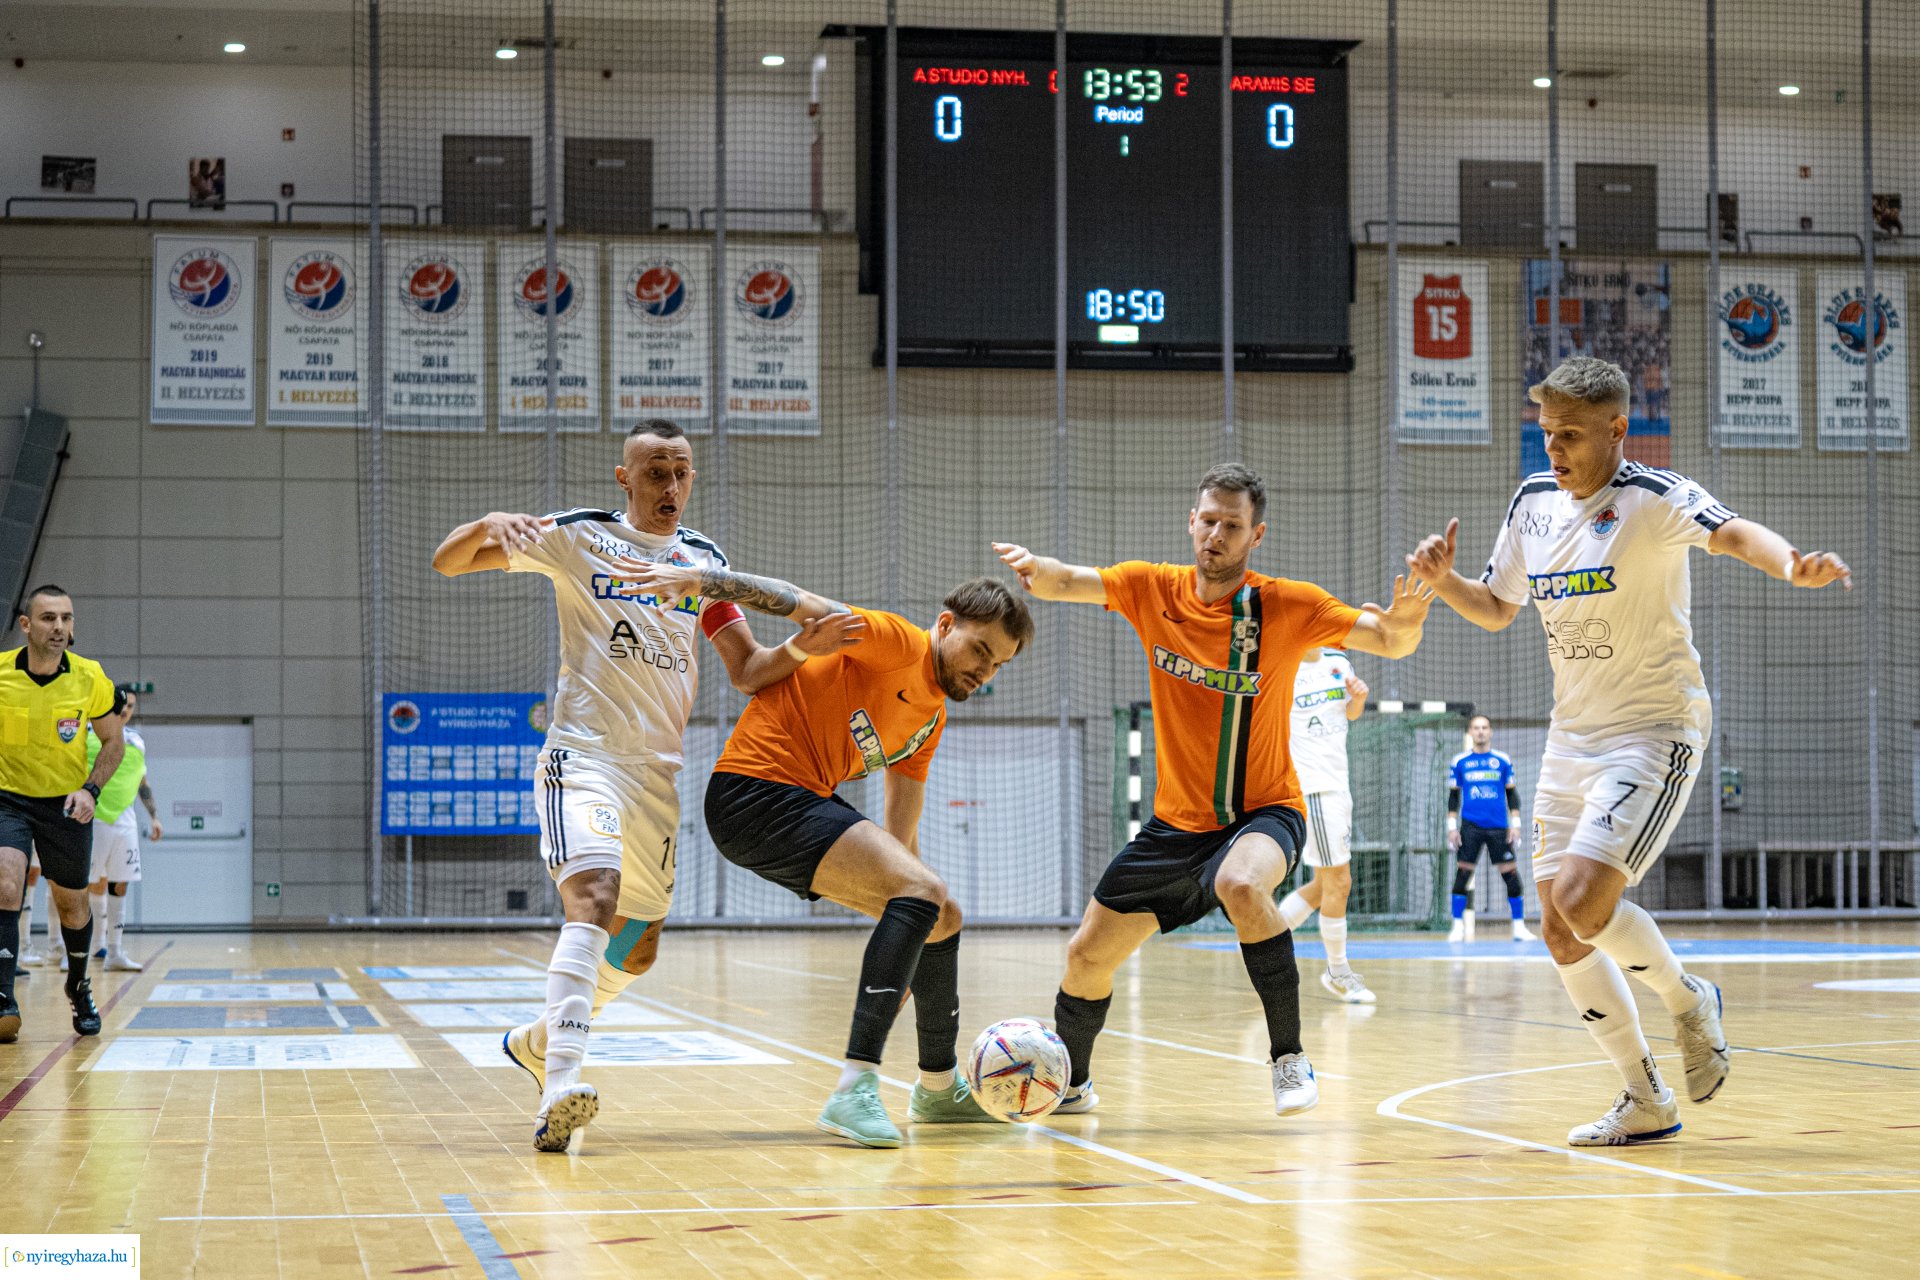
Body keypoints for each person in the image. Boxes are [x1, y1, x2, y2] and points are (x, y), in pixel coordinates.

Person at [1406, 355, 1851, 1147]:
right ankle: (1645, 1097)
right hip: (1571, 738)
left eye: (1571, 435)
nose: (1555, 449)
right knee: (1557, 927)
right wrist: (1442, 584)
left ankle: (1689, 1001)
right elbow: (1498, 608)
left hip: (1655, 730)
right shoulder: (1533, 502)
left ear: (1617, 430)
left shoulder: (1653, 498)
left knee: (1583, 903)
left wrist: (1790, 564)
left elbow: (1734, 532)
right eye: (1546, 434)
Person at [432, 420, 862, 1151]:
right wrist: (485, 522)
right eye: (655, 472)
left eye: (682, 472)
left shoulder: (704, 562)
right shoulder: (578, 537)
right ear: (623, 478)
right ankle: (560, 1085)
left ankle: (539, 1040)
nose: (670, 486)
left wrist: (801, 647)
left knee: (638, 949)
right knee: (593, 897)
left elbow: (748, 669)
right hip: (585, 755)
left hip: (656, 776)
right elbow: (448, 563)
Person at [994, 463, 1433, 1117]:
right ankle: (1075, 1083)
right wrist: (1035, 568)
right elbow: (1067, 581)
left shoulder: (1289, 604)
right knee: (1086, 955)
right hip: (1176, 826)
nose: (1216, 534)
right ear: (1190, 522)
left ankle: (1289, 1057)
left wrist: (1409, 618)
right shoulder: (1151, 589)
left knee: (1240, 884)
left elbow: (1390, 641)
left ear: (1257, 536)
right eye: (1208, 520)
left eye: (1233, 525)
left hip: (1265, 812)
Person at [618, 551, 1033, 1149]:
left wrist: (913, 929)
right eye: (980, 652)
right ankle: (853, 1089)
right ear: (946, 626)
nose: (984, 672)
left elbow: (902, 846)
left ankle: (938, 1091)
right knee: (923, 896)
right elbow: (793, 596)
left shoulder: (930, 719)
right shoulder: (896, 643)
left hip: (798, 803)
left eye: (997, 666)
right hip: (754, 792)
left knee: (940, 914)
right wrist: (701, 581)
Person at [0, 585, 126, 1042]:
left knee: (72, 906)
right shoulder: (1, 674)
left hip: (65, 804)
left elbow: (114, 742)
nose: (60, 628)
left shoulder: (90, 677)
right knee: (6, 882)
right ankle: (2, 998)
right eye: (50, 618)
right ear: (27, 625)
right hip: (7, 798)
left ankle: (78, 983)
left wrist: (91, 789)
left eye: (67, 618)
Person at [1273, 647, 1374, 1002]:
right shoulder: (1282, 665)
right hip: (1314, 786)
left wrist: (1358, 699)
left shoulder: (1338, 662)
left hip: (1338, 782)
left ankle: (1263, 941)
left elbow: (1350, 713)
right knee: (1340, 881)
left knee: (1323, 886)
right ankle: (1338, 972)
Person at [77, 687, 161, 972]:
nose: (126, 710)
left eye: (132, 706)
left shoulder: (137, 742)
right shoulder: (86, 733)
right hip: (92, 817)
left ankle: (115, 951)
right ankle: (83, 949)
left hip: (124, 821)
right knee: (88, 884)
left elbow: (142, 782)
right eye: (122, 704)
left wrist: (155, 816)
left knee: (120, 882)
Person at [1446, 714, 1533, 942]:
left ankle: (1518, 927)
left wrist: (1516, 825)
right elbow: (1453, 798)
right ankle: (1457, 927)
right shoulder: (1460, 762)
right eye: (1476, 728)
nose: (1481, 731)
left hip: (1498, 827)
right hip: (1470, 827)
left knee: (1511, 875)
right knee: (1463, 873)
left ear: (1491, 732)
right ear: (1470, 733)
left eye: (1484, 727)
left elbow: (1512, 795)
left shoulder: (1502, 761)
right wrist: (1452, 827)